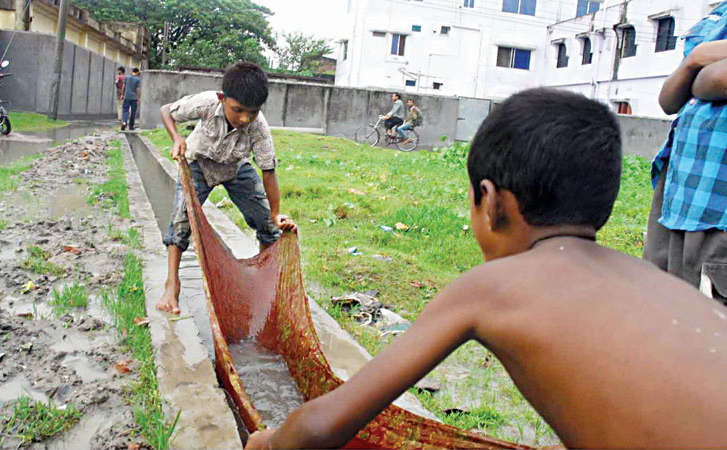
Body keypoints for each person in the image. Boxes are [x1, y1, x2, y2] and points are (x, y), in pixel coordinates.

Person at [245, 88, 727, 449]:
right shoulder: (658, 285)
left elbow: (321, 426)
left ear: (492, 202)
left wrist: (264, 442)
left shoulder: (492, 288)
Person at [156, 62, 297, 315]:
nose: (245, 119)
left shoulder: (258, 126)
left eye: (252, 112)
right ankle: (171, 285)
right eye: (238, 110)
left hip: (235, 167)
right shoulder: (207, 103)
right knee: (180, 221)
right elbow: (167, 110)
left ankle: (262, 282)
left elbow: (268, 170)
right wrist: (177, 138)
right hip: (199, 164)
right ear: (223, 99)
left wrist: (276, 213)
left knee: (267, 224)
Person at [645, 1, 727, 304]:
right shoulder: (719, 13)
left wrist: (694, 68)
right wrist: (695, 60)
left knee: (711, 327)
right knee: (667, 310)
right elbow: (669, 99)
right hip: (680, 193)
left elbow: (717, 80)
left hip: (719, 208)